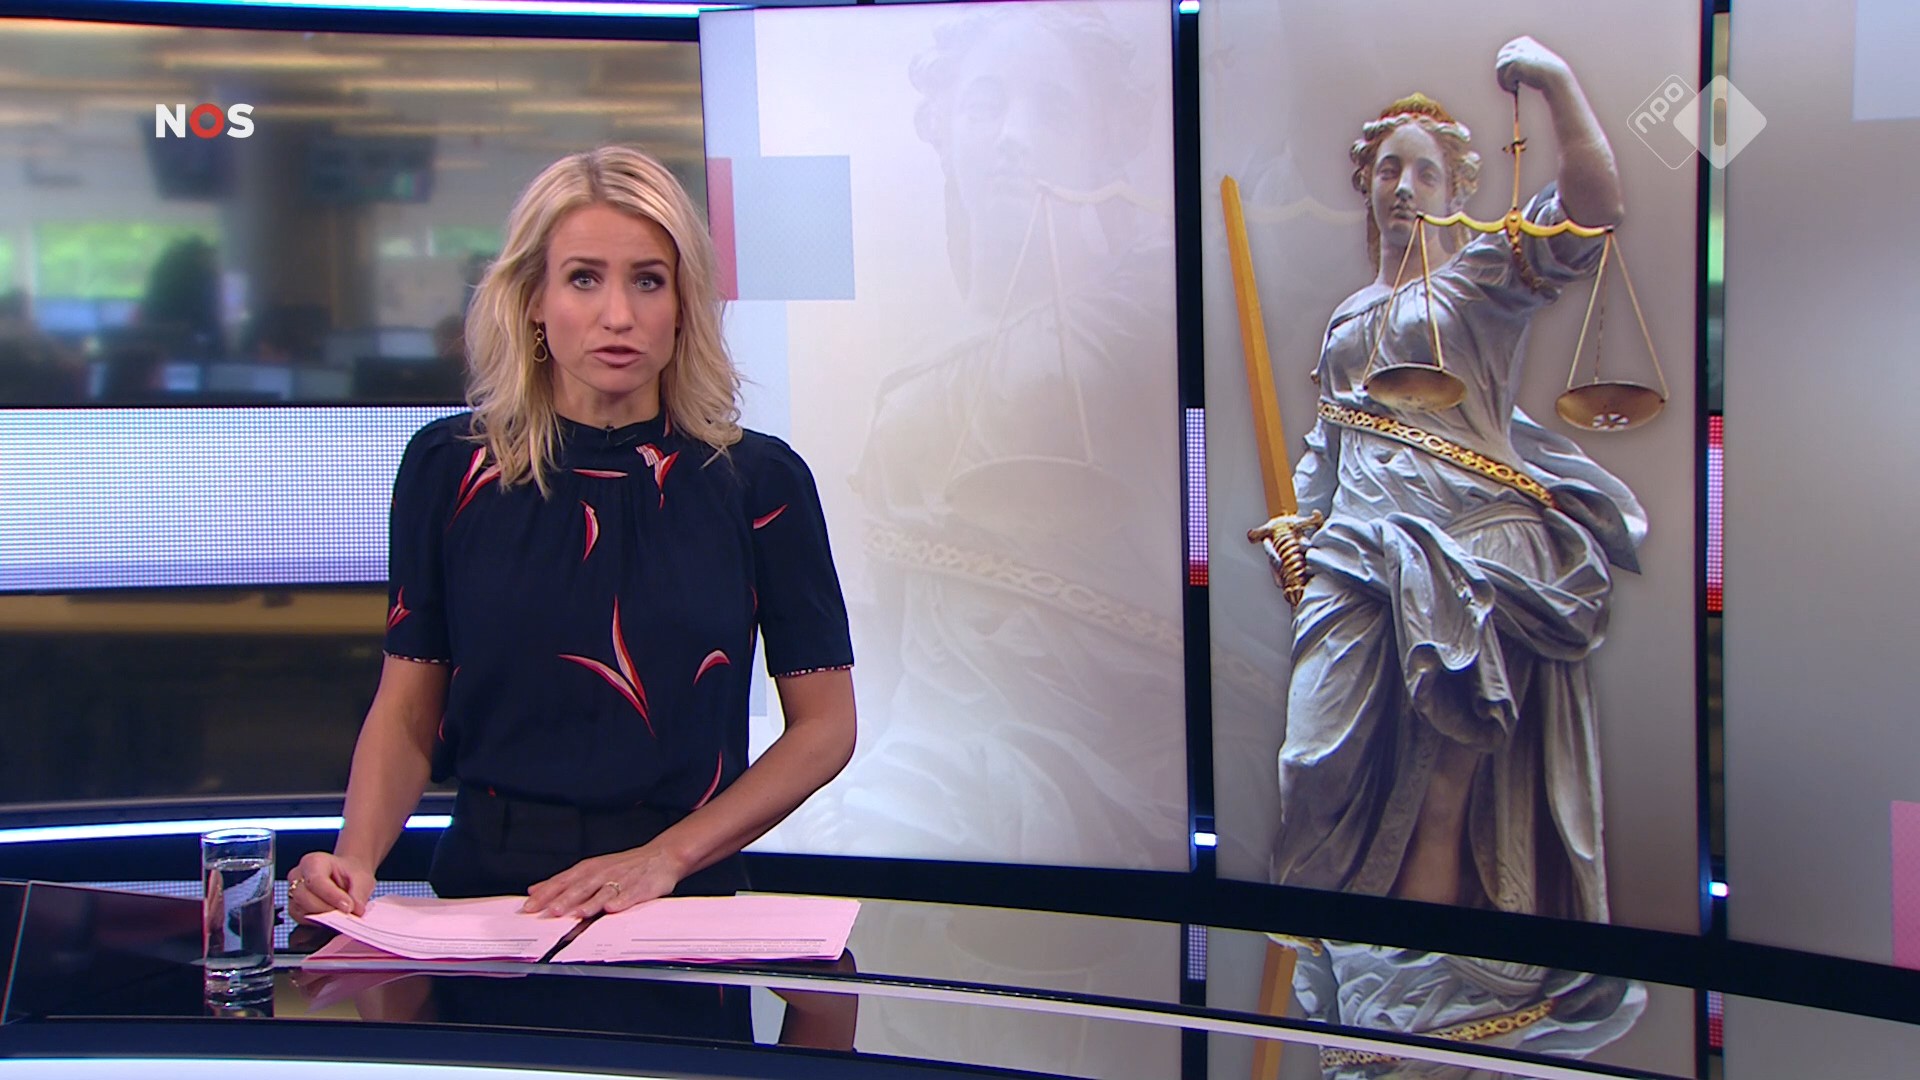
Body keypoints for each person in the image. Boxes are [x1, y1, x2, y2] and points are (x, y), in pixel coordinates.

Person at [287, 146, 856, 928]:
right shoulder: (448, 468)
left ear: (683, 303)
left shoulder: (758, 482)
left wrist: (667, 858)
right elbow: (408, 709)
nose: (617, 315)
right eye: (584, 278)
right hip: (487, 899)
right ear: (532, 298)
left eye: (648, 281)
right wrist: (355, 860)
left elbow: (825, 726)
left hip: (679, 900)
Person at [1256, 37, 1646, 921]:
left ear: (1455, 193)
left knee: (1440, 796)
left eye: (1426, 173)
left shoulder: (1480, 281)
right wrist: (1300, 525)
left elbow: (1595, 208)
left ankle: (1419, 974)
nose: (1404, 187)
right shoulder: (1349, 315)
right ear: (1368, 185)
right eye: (1390, 170)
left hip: (1463, 546)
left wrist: (1554, 82)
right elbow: (1332, 437)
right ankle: (1339, 950)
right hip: (1355, 554)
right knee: (1314, 762)